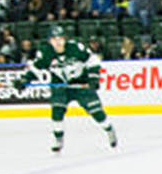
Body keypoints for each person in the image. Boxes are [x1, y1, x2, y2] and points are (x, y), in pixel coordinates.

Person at [18, 24, 117, 153]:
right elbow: (36, 68)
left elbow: (92, 61)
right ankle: (58, 139)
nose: (58, 42)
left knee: (96, 112)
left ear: (64, 39)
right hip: (60, 86)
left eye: (60, 38)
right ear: (50, 41)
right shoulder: (45, 52)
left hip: (81, 83)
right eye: (54, 39)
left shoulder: (76, 48)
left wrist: (93, 78)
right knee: (57, 112)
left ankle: (109, 129)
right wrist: (24, 80)